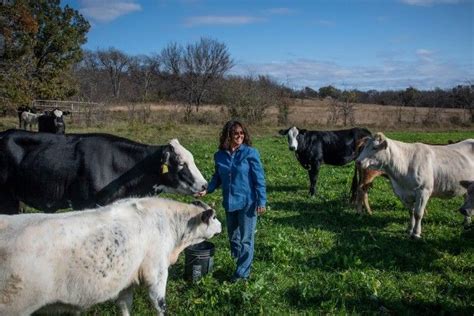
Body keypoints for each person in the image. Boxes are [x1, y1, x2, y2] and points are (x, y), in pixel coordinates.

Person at [196, 120, 266, 282]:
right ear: (228, 135)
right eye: (236, 133)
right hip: (230, 202)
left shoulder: (250, 153)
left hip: (248, 202)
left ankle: (242, 273)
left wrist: (261, 201)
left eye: (242, 133)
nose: (240, 136)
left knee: (246, 239)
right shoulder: (219, 156)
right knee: (233, 237)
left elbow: (259, 179)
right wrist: (208, 189)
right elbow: (217, 177)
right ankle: (237, 261)